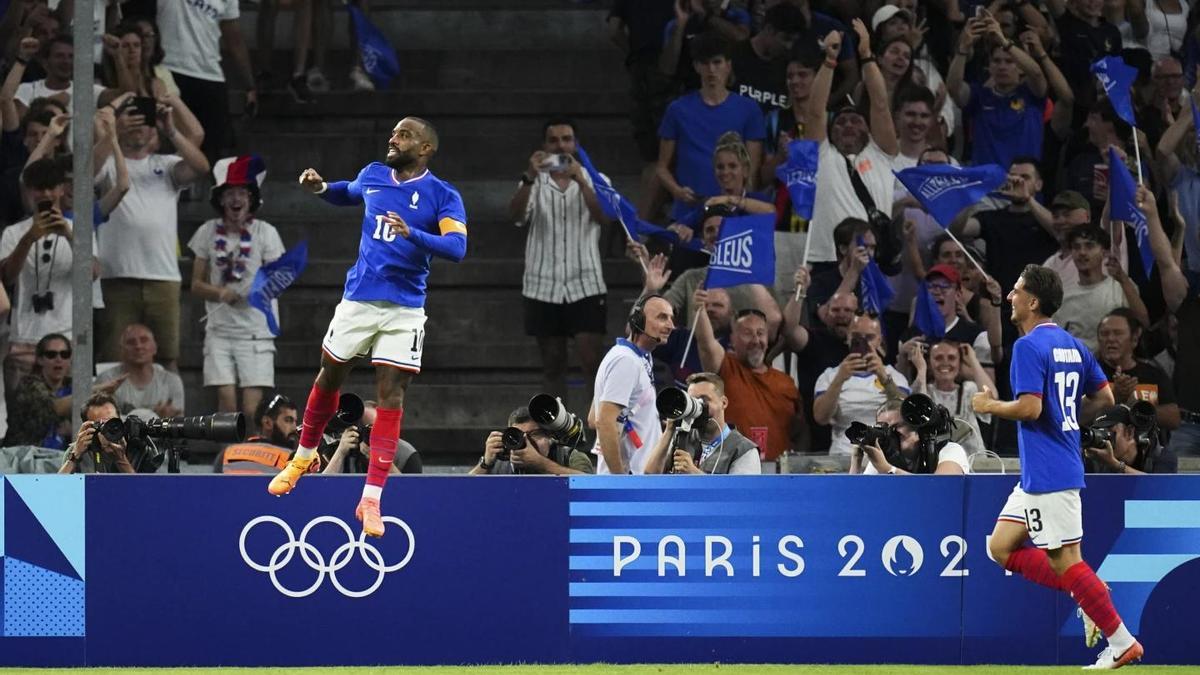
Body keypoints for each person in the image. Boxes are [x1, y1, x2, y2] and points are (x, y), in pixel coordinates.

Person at [268, 117, 468, 539]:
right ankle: (303, 457)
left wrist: (411, 233)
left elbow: (457, 247)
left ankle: (371, 499)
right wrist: (322, 189)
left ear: (427, 147)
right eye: (393, 133)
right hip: (359, 299)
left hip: (405, 309)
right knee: (330, 373)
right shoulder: (374, 175)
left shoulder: (443, 195)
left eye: (405, 135)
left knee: (390, 396)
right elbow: (349, 192)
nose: (394, 139)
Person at [971, 264, 1143, 670]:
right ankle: (1088, 589)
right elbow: (1104, 398)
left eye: (1015, 291)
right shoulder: (1073, 345)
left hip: (1049, 471)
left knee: (1065, 562)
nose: (1010, 297)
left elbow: (1030, 408)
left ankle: (1121, 641)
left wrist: (989, 405)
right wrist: (1068, 418)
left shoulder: (1028, 347)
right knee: (999, 547)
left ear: (1032, 301)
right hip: (1046, 471)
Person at [96, 96, 211, 371]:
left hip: (163, 276)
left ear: (154, 129)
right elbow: (84, 174)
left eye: (144, 122)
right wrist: (113, 132)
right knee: (113, 358)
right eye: (131, 121)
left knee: (168, 356)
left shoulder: (167, 163)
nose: (138, 127)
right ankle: (109, 414)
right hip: (116, 275)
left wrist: (170, 128)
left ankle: (171, 413)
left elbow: (201, 167)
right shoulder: (109, 162)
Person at [1, 152, 125, 394]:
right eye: (39, 188)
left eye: (50, 188)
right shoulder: (14, 233)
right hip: (25, 338)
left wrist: (69, 236)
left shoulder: (80, 230)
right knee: (22, 421)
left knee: (70, 420)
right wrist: (28, 238)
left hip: (67, 340)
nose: (45, 194)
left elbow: (91, 273)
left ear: (60, 189)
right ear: (29, 191)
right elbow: (7, 278)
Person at [510, 118, 609, 400]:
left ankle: (597, 435)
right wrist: (529, 175)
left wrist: (580, 178)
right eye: (554, 140)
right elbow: (516, 216)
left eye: (566, 139)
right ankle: (555, 433)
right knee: (552, 365)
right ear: (544, 146)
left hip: (586, 282)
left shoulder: (594, 177)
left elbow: (605, 217)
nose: (561, 145)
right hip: (543, 285)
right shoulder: (532, 180)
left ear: (576, 144)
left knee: (593, 364)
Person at [187, 154, 285, 424]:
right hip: (220, 331)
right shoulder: (207, 232)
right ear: (220, 200)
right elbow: (195, 284)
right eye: (230, 192)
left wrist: (255, 291)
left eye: (242, 192)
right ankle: (228, 460)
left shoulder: (266, 233)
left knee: (253, 408)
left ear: (251, 199)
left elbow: (278, 279)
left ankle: (249, 462)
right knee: (227, 404)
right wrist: (220, 294)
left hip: (256, 331)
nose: (236, 199)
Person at [803, 22, 899, 269]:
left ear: (868, 129)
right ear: (831, 132)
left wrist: (866, 56)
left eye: (855, 120)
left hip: (872, 263)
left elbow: (879, 104)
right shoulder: (822, 156)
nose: (847, 125)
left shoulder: (882, 156)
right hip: (826, 261)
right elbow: (814, 113)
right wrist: (829, 61)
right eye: (841, 121)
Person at [656, 31, 765, 227]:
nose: (711, 70)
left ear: (728, 65)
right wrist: (677, 191)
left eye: (717, 62)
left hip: (732, 214)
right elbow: (662, 167)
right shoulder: (678, 109)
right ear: (697, 67)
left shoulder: (749, 109)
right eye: (705, 63)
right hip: (687, 213)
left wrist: (742, 204)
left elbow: (752, 168)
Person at [693, 289, 806, 459]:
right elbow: (706, 344)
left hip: (779, 474)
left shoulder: (786, 383)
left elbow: (800, 432)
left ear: (767, 338)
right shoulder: (725, 369)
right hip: (732, 471)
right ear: (732, 340)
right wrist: (699, 310)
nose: (755, 340)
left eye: (760, 333)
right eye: (747, 333)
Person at [1137, 185, 1200, 456]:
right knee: (1175, 497)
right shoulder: (1190, 305)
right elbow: (1166, 263)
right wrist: (1151, 213)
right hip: (1188, 426)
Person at [157, 0, 257, 160]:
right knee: (171, 145)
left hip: (210, 74)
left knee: (216, 151)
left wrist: (249, 84)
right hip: (170, 68)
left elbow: (234, 37)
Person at [589, 295, 674, 474]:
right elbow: (604, 422)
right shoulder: (625, 361)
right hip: (630, 483)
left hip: (639, 479)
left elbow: (593, 417)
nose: (671, 325)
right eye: (662, 317)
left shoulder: (641, 356)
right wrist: (620, 483)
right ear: (638, 321)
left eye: (671, 318)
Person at [813, 311, 909, 456]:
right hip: (843, 455)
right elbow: (821, 417)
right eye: (857, 337)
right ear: (848, 337)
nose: (863, 342)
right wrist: (840, 379)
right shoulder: (830, 376)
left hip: (885, 454)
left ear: (879, 340)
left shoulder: (895, 376)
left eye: (869, 337)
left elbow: (905, 414)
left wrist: (883, 377)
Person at [1052, 225, 1148, 353]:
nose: (1082, 252)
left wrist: (1124, 281)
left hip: (1118, 367)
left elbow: (1143, 322)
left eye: (1089, 246)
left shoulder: (1121, 286)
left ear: (1104, 252)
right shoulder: (1063, 299)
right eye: (1076, 247)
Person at [643, 372, 762, 474]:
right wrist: (669, 430)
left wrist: (694, 473)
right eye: (693, 400)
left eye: (704, 399)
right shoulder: (681, 438)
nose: (699, 406)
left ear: (723, 403)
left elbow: (740, 497)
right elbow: (650, 475)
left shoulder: (743, 450)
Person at [1096, 308, 1181, 430]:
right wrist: (1114, 397)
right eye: (1104, 334)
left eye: (1118, 333)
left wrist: (1135, 406)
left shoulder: (1153, 373)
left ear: (1135, 338)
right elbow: (1078, 414)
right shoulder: (1089, 374)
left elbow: (1174, 418)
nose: (1110, 339)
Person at [909, 340, 997, 456]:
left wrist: (973, 360)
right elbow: (918, 413)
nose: (945, 363)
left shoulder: (968, 390)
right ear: (929, 363)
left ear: (959, 363)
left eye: (952, 358)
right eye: (938, 358)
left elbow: (992, 398)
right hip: (937, 463)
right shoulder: (925, 392)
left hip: (973, 461)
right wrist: (921, 370)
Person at [849, 398, 970, 475]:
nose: (891, 433)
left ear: (916, 426)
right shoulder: (884, 457)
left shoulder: (950, 450)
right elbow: (855, 499)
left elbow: (940, 489)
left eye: (898, 426)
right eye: (884, 429)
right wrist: (856, 459)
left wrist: (888, 469)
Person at [472, 406, 594, 475]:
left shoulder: (569, 457)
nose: (527, 442)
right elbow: (464, 492)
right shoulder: (499, 462)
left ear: (549, 436)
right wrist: (485, 464)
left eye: (534, 434)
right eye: (518, 435)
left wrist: (540, 463)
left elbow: (590, 487)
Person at [95, 324, 185, 417]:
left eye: (144, 340)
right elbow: (101, 420)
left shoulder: (171, 382)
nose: (138, 346)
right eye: (131, 342)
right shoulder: (107, 380)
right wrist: (154, 417)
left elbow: (179, 422)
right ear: (121, 350)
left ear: (154, 347)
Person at [729, 2, 805, 112]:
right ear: (769, 29)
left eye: (793, 41)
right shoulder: (733, 56)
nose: (789, 46)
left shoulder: (789, 68)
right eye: (786, 39)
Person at [217, 393, 303, 474]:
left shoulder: (226, 453)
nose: (294, 428)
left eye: (295, 421)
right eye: (288, 420)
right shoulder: (293, 460)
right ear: (267, 423)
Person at [1084, 403, 1178, 474]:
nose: (1104, 440)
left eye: (1109, 432)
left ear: (1129, 432)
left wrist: (1115, 465)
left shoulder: (1162, 456)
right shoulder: (1093, 460)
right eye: (1099, 432)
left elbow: (1160, 488)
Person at [58, 393, 136, 474]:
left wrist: (122, 460)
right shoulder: (80, 450)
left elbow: (142, 486)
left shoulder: (135, 448)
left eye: (113, 422)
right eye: (102, 424)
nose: (109, 429)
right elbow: (57, 485)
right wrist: (74, 457)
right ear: (88, 427)